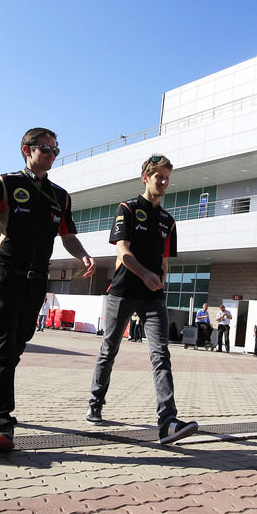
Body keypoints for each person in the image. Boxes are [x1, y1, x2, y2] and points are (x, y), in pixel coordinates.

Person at [0, 128, 96, 453]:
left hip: (37, 279)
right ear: (27, 149)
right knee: (5, 345)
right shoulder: (8, 184)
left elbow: (67, 235)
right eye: (44, 148)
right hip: (6, 274)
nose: (50, 154)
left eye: (55, 149)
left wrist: (83, 253)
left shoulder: (60, 196)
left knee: (17, 345)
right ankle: (2, 423)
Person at [85, 155, 199, 445]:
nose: (163, 182)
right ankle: (96, 402)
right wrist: (145, 274)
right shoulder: (128, 209)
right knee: (109, 348)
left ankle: (168, 422)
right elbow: (122, 251)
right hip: (122, 292)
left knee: (161, 353)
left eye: (167, 178)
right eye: (158, 176)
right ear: (145, 177)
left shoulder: (168, 221)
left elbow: (164, 262)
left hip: (153, 296)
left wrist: (158, 282)